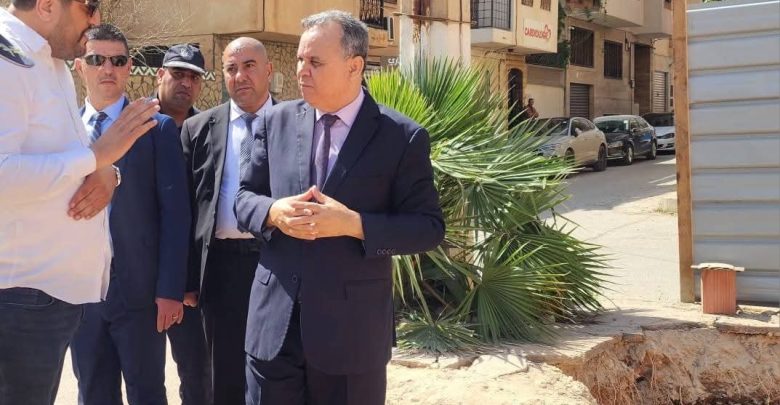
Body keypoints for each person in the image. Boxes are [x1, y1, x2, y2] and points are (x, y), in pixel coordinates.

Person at [235, 10, 445, 405]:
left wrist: (353, 224)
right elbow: (244, 198)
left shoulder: (401, 137)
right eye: (300, 59)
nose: (302, 70)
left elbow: (428, 227)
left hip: (351, 337)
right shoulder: (274, 122)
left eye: (315, 61)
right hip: (274, 330)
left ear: (354, 66)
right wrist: (273, 212)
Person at [0, 2, 161, 404]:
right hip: (19, 298)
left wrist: (108, 171)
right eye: (89, 7)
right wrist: (95, 159)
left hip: (46, 298)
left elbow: (67, 154)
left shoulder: (46, 60)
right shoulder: (7, 60)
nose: (95, 20)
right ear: (48, 5)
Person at [68, 23, 190, 405]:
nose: (108, 68)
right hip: (80, 294)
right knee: (92, 391)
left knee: (147, 393)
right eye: (97, 59)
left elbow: (176, 215)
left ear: (129, 68)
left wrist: (170, 290)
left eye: (118, 61)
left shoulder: (156, 128)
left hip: (139, 293)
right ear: (79, 66)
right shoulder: (65, 132)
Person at [180, 36, 274, 405]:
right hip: (221, 269)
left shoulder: (296, 124)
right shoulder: (198, 128)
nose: (240, 76)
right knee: (224, 374)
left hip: (277, 264)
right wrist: (188, 279)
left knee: (278, 369)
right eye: (231, 69)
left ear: (268, 70)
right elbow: (186, 209)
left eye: (249, 66)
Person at [155, 43, 213, 405]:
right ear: (160, 75)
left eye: (194, 77)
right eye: (178, 74)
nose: (186, 83)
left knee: (198, 375)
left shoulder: (210, 132)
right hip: (137, 276)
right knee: (142, 378)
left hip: (190, 286)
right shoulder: (134, 124)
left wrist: (190, 282)